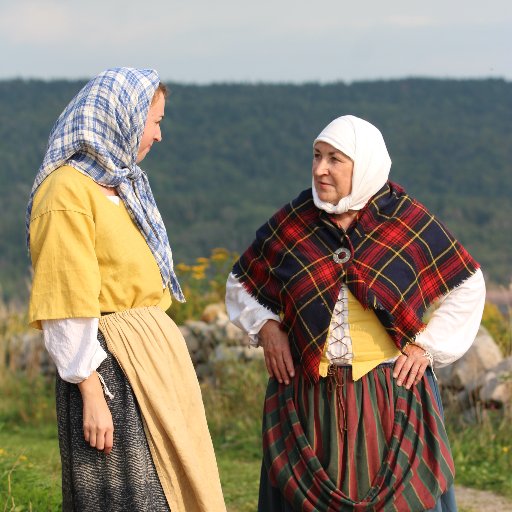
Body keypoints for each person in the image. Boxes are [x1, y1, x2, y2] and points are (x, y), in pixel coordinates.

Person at [226, 115, 485, 512]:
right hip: (308, 397)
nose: (319, 169)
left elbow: (468, 283)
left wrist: (425, 348)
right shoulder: (295, 223)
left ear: (362, 165)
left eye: (334, 159)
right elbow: (241, 282)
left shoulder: (405, 221)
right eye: (316, 156)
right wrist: (266, 327)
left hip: (388, 395)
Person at [27, 67, 226, 512]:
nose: (158, 135)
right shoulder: (66, 193)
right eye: (153, 121)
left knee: (175, 489)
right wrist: (91, 392)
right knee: (136, 496)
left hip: (153, 360)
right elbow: (65, 299)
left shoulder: (123, 184)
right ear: (121, 118)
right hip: (111, 368)